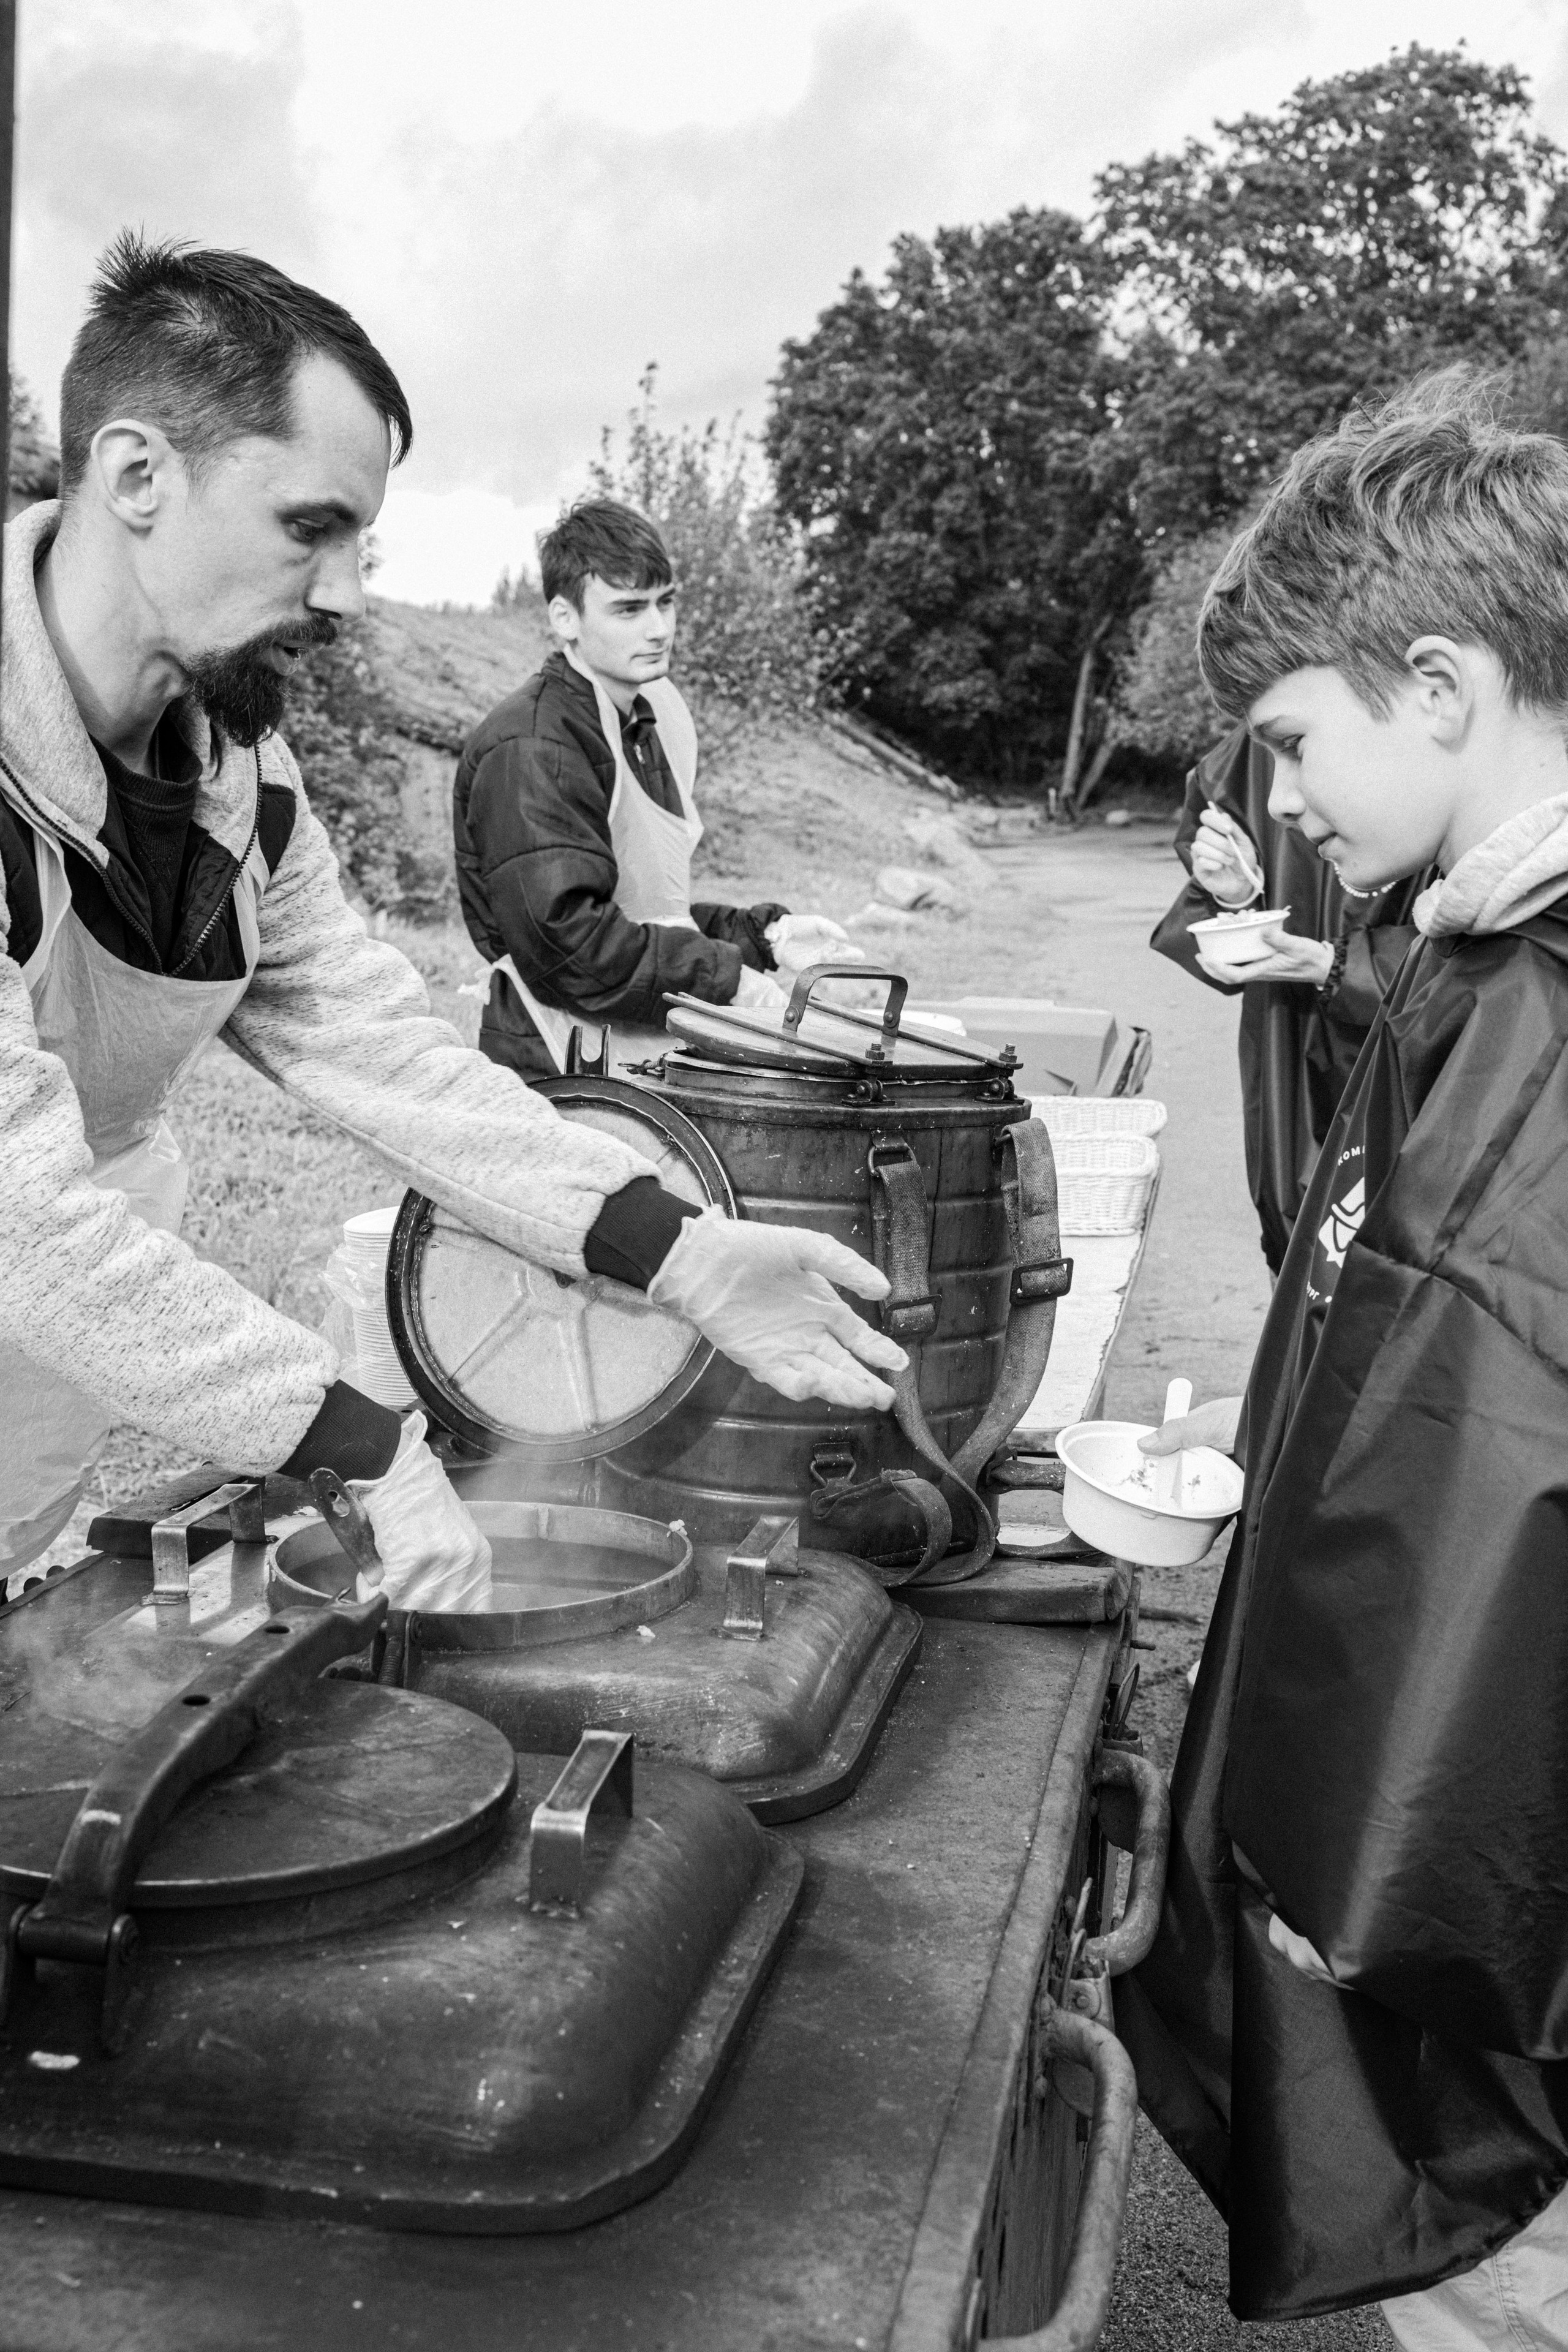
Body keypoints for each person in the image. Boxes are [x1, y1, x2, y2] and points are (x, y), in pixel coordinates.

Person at [0, 234, 904, 1608]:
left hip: (88, 1277)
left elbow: (384, 1055)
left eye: (362, 539)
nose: (349, 594)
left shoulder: (247, 785)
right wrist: (350, 1441)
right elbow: (20, 1220)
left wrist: (682, 1250)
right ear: (136, 476)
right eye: (311, 526)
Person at [1119, 380, 1568, 2346]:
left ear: (1442, 682)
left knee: (1492, 2273)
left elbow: (1491, 1481)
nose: (1277, 798)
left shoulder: (1531, 988)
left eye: (1295, 736)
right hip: (1408, 1835)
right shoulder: (1461, 939)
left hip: (1465, 1946)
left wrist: (1345, 1873)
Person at [453, 497, 858, 1080]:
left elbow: (647, 910)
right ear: (565, 618)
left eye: (666, 602)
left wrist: (763, 937)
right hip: (559, 1063)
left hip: (639, 1045)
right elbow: (573, 948)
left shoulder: (648, 717)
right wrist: (727, 980)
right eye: (629, 610)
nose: (660, 629)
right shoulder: (535, 746)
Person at [1151, 725, 1426, 1274]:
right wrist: (1234, 892)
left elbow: (1490, 955)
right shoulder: (1256, 741)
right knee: (1301, 1254)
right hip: (1286, 1044)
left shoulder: (1445, 724)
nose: (1285, 801)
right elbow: (1215, 900)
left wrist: (1336, 966)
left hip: (1412, 1069)